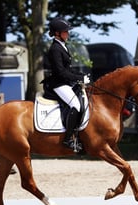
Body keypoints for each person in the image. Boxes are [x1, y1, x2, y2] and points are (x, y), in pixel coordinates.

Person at [46, 17, 90, 151]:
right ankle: (68, 139)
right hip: (59, 84)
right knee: (75, 105)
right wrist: (79, 79)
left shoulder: (62, 46)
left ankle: (79, 135)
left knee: (83, 101)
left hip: (66, 82)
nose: (68, 33)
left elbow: (68, 69)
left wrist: (81, 76)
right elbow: (60, 72)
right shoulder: (55, 49)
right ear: (57, 33)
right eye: (65, 31)